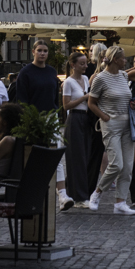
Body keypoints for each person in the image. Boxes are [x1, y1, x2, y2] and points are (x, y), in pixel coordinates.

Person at [89, 47, 135, 215]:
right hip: (111, 124)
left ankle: (120, 202)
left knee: (127, 166)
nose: (126, 61)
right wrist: (104, 116)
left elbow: (125, 98)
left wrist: (132, 105)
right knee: (116, 164)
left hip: (127, 124)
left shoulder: (124, 76)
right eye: (123, 58)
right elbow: (91, 103)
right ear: (115, 60)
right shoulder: (100, 78)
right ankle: (97, 192)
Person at [58, 50, 99, 209]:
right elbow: (66, 105)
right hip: (74, 118)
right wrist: (84, 97)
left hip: (86, 119)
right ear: (73, 65)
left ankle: (75, 192)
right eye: (82, 64)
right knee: (77, 158)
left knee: (85, 156)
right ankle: (80, 197)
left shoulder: (85, 79)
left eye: (86, 63)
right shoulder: (68, 82)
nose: (85, 66)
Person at [9, 39, 63, 114]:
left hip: (52, 114)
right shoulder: (25, 72)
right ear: (33, 52)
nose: (42, 53)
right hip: (34, 115)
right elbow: (21, 98)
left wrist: (57, 112)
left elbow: (55, 95)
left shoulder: (52, 71)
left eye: (45, 51)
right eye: (39, 50)